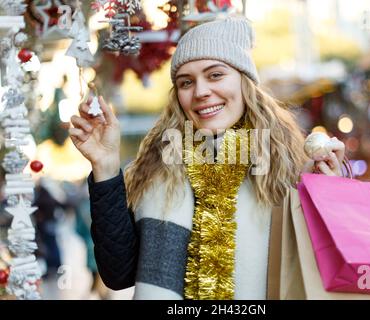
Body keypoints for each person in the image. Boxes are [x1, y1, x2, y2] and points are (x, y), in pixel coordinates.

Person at [68, 16, 346, 300]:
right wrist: (105, 166)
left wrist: (328, 191)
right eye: (186, 82)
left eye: (215, 75)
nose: (201, 91)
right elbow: (118, 275)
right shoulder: (156, 170)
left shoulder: (290, 168)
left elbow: (330, 266)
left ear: (244, 82)